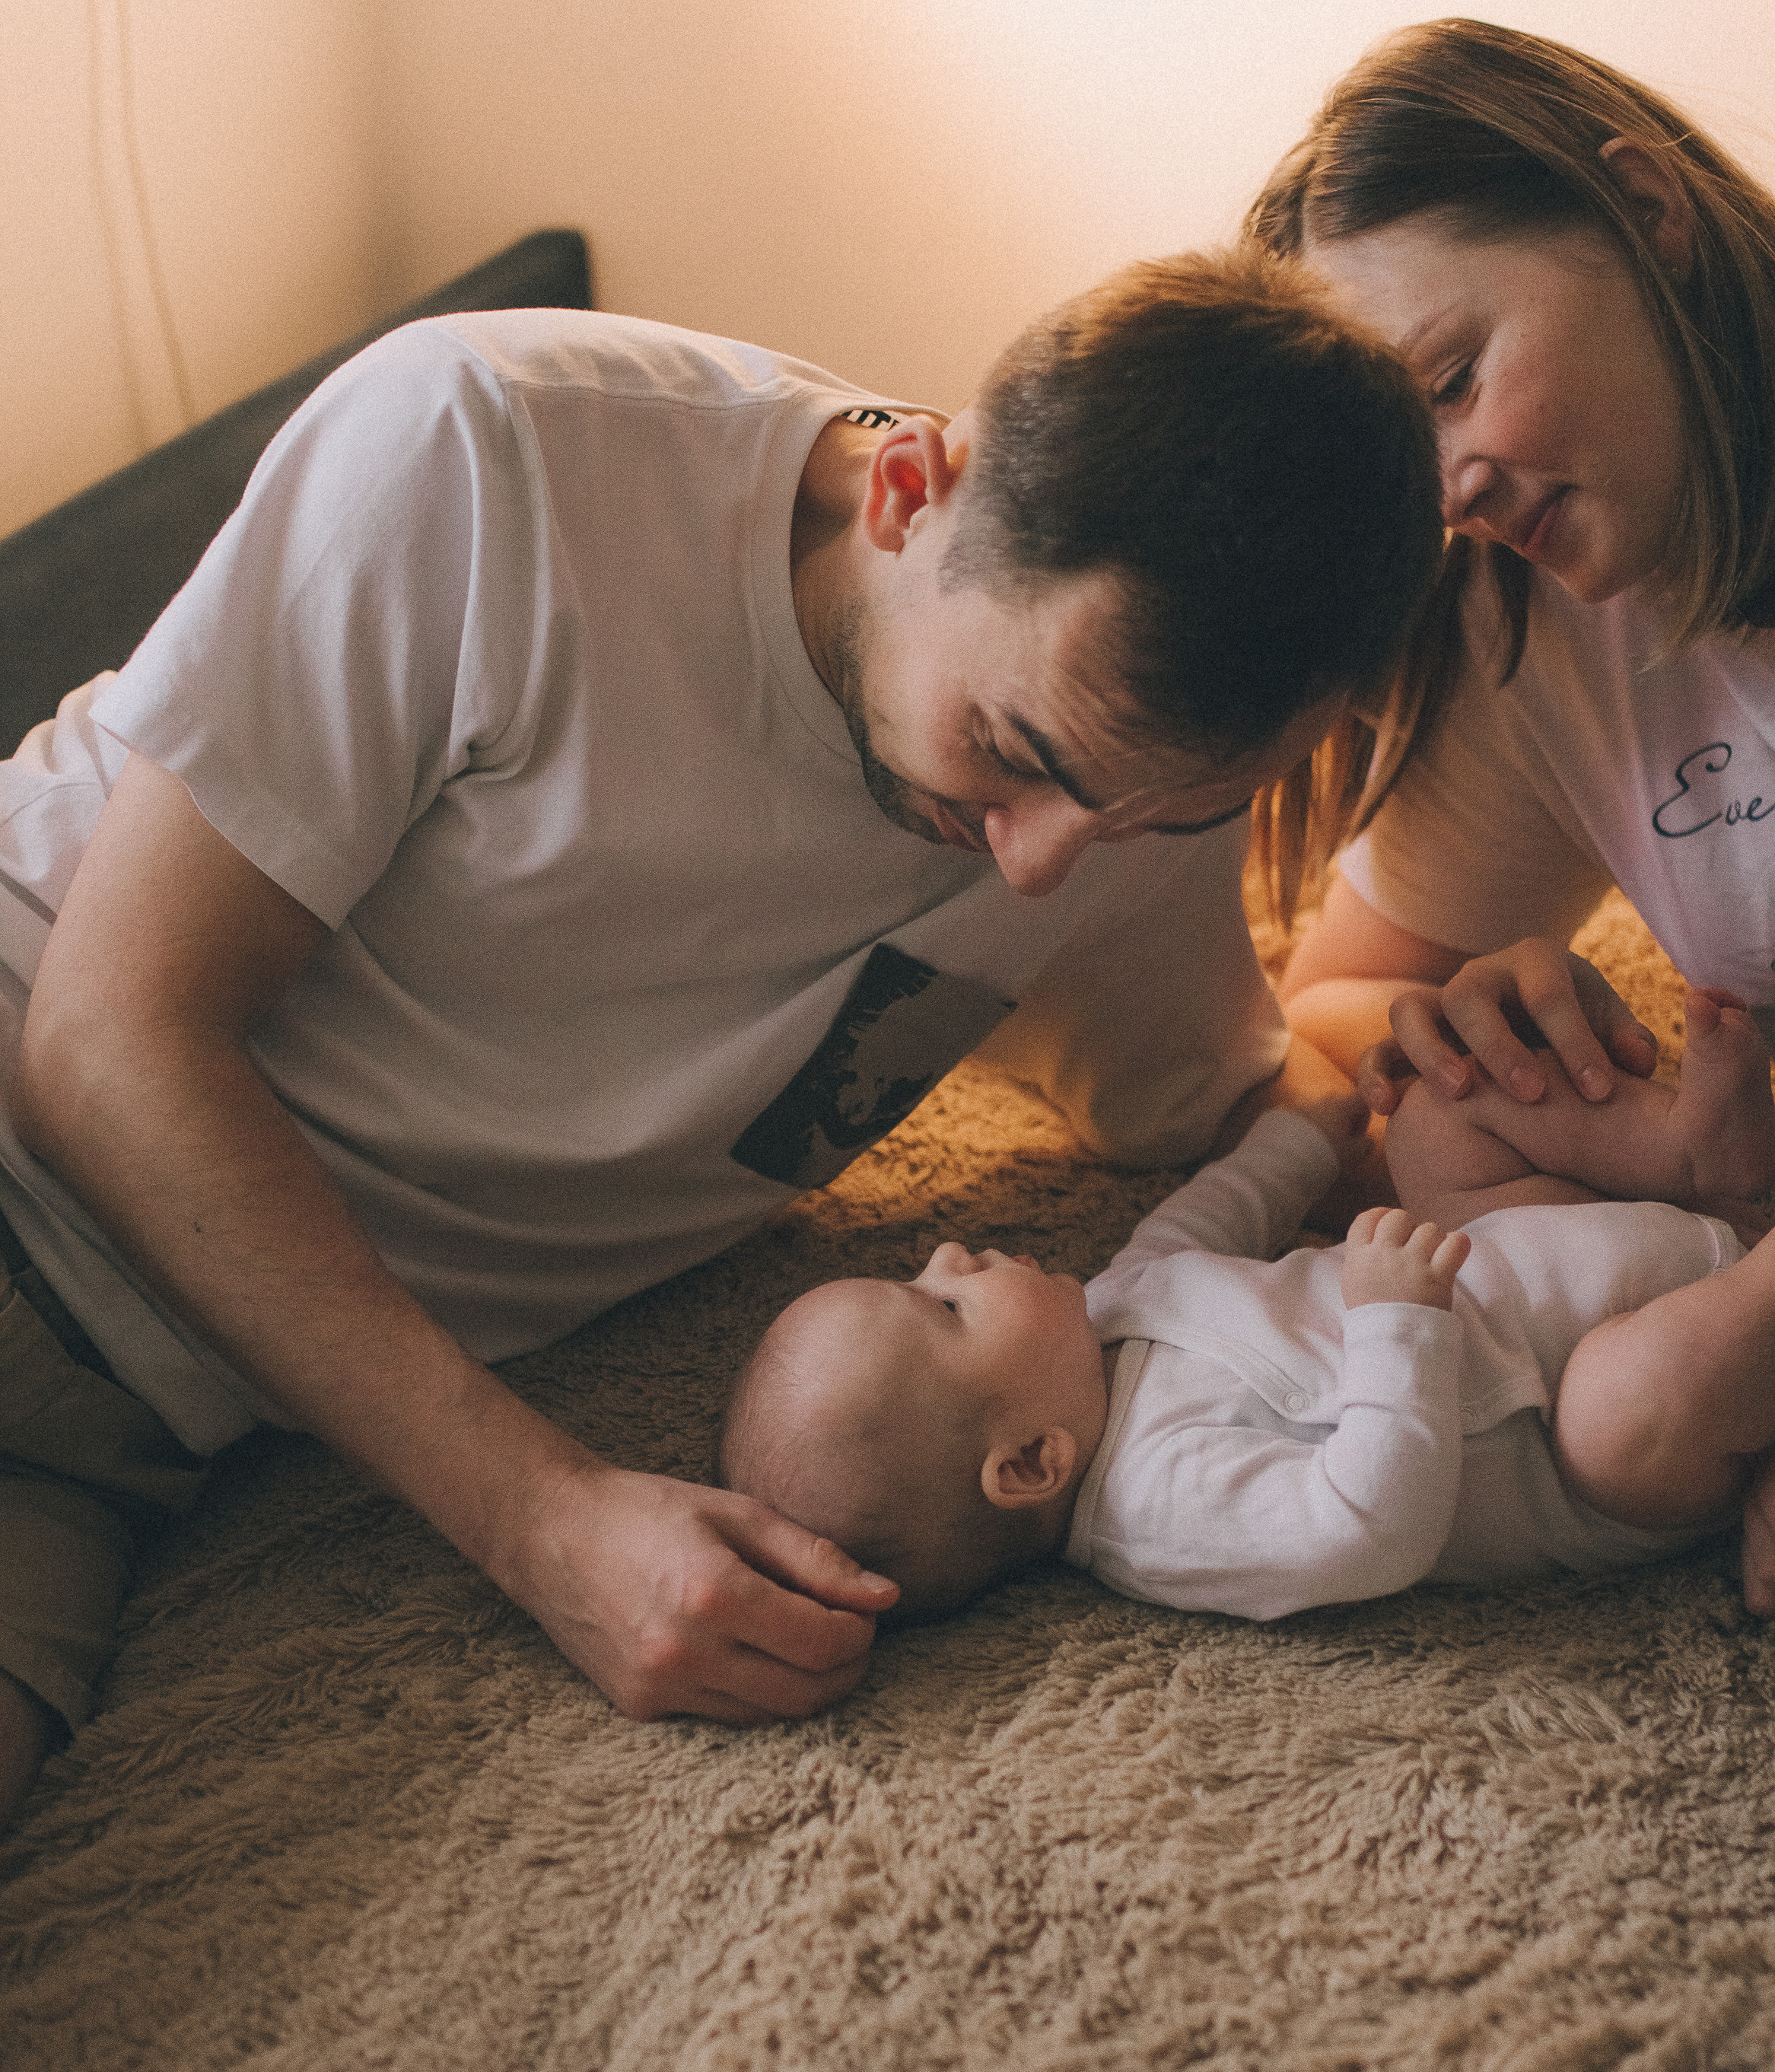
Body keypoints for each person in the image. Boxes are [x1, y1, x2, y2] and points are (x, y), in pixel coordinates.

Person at [0, 249, 1445, 1820]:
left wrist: (1457, 1060)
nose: (1038, 867)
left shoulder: (1114, 826)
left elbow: (1254, 1097)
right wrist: (549, 1521)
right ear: (913, 490)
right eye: (1011, 754)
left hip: (120, 1442)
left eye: (1153, 816)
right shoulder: (493, 450)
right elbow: (104, 1040)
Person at [718, 995, 1775, 1622]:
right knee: (1628, 1402)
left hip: (1523, 1249)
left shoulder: (1103, 1313)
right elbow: (1363, 1534)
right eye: (944, 1308)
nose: (947, 1256)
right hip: (1582, 1442)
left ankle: (1697, 1172)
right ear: (1032, 1463)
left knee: (1435, 1119)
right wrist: (1391, 1328)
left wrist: (1305, 1136)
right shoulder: (1157, 1508)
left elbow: (1202, 1219)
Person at [1240, 21, 1775, 1110]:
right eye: (1402, 450)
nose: (1446, 495)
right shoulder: (1529, 628)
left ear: (1644, 212)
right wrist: (1464, 1025)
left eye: (1451, 384)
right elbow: (1334, 1007)